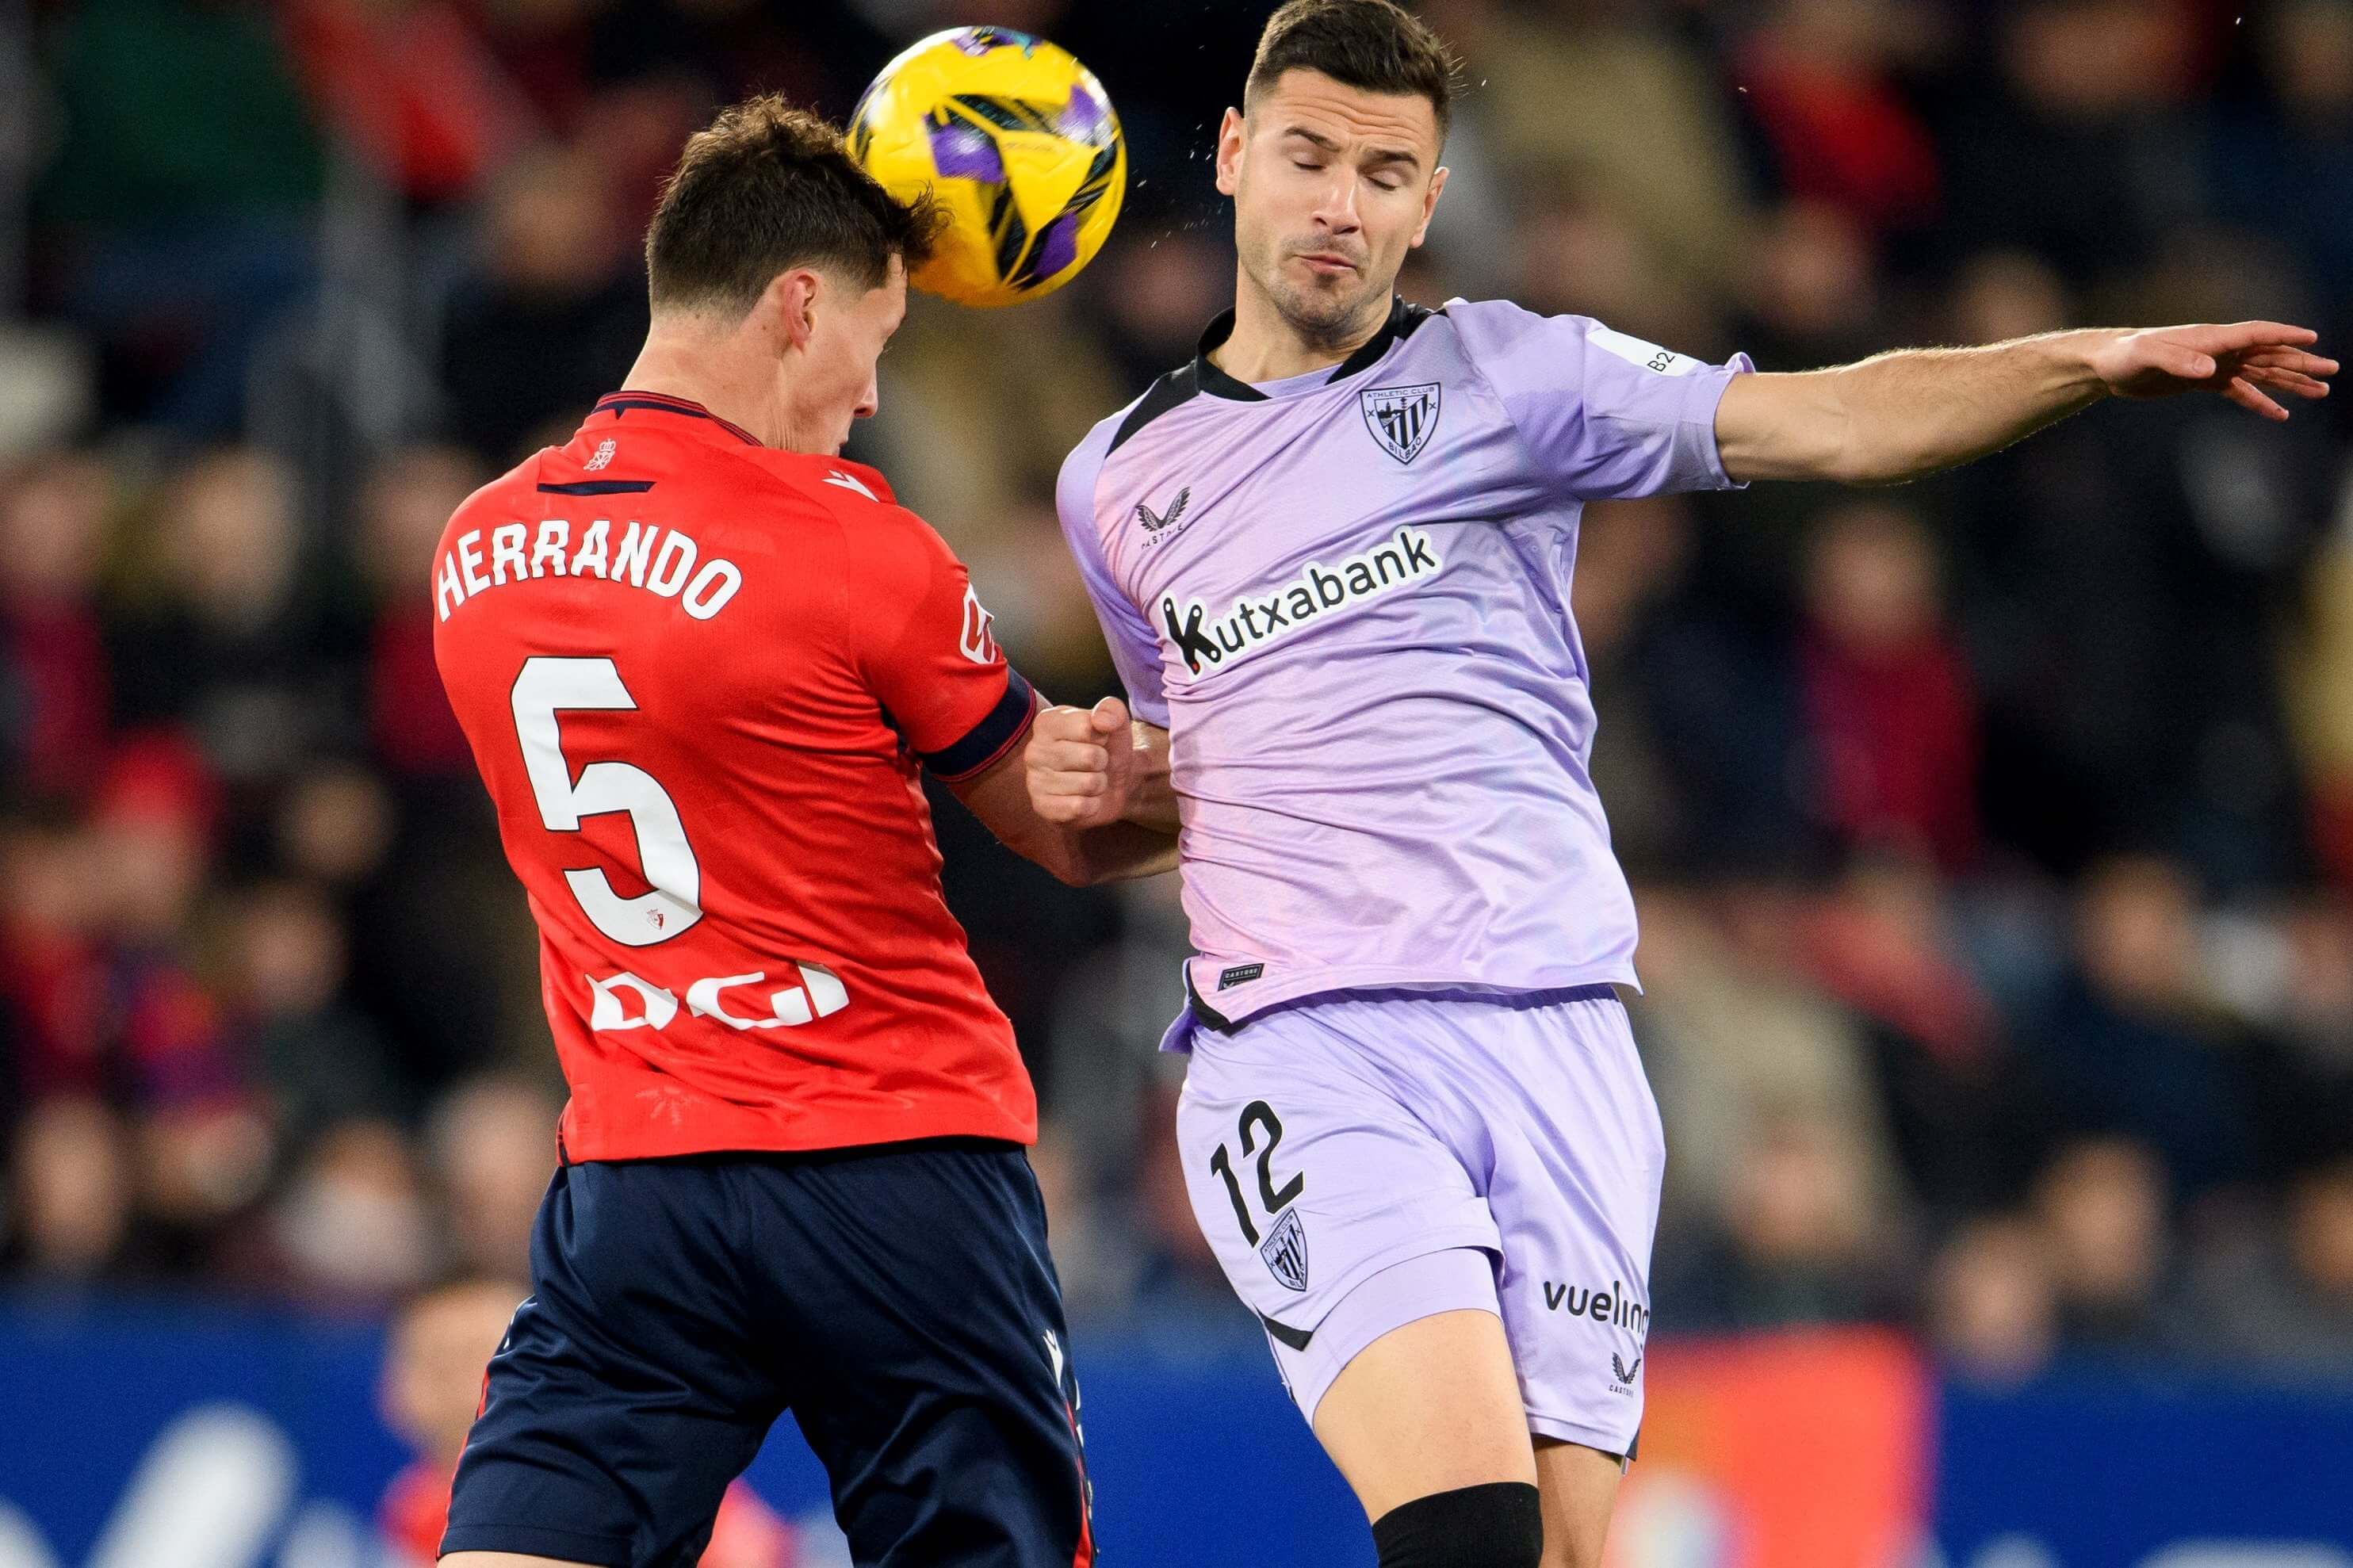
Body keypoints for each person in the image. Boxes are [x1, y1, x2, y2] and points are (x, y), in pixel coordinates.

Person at [1024, 3, 2336, 1566]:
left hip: (1562, 1036)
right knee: (1465, 1534)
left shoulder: (1516, 380)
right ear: (1236, 155)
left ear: (1430, 202)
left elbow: (1829, 421)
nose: (1340, 203)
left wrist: (2080, 363)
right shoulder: (1117, 478)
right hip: (1312, 1054)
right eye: (1307, 155)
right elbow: (1202, 775)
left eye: (1386, 171)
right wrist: (1100, 782)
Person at [431, 96, 1175, 1568]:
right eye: (877, 343)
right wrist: (1233, 765)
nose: (873, 396)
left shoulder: (478, 548)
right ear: (796, 302)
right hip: (894, 1168)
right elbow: (1063, 827)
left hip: (639, 1175)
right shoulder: (850, 542)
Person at [375, 1279, 794, 1567]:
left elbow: (751, 1550)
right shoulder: (411, 1507)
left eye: (470, 1354)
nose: (450, 1380)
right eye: (431, 1361)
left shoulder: (636, 1478)